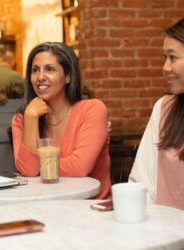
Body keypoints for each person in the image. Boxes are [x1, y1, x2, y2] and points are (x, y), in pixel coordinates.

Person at [11, 42, 111, 199]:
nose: (40, 77)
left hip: (91, 208)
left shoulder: (92, 109)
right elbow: (29, 171)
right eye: (35, 70)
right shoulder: (22, 119)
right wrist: (31, 118)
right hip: (47, 207)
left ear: (68, 76)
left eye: (49, 69)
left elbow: (80, 167)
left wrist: (40, 167)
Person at [129, 17, 184, 213]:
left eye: (172, 57)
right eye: (164, 57)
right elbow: (142, 180)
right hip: (168, 233)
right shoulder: (164, 108)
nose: (165, 67)